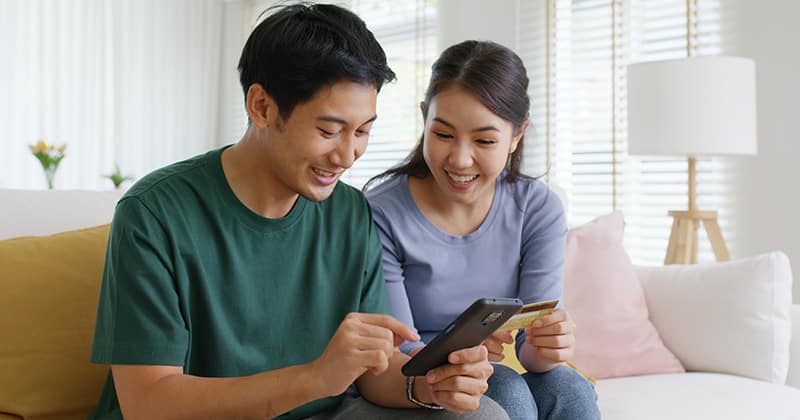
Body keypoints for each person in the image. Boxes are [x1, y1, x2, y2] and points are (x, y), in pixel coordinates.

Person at [88, 5, 509, 419]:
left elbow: (374, 374)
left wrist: (429, 383)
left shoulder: (349, 213)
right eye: (329, 130)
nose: (348, 155)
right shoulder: (154, 214)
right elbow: (149, 403)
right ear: (262, 106)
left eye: (362, 131)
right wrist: (315, 378)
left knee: (479, 415)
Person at [364, 40, 601, 420]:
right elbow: (401, 350)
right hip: (421, 380)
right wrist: (463, 351)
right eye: (442, 134)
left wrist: (548, 345)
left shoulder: (538, 209)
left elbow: (531, 353)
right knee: (505, 389)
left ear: (516, 136)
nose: (459, 159)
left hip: (494, 367)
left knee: (568, 388)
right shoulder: (381, 212)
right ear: (425, 118)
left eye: (484, 141)